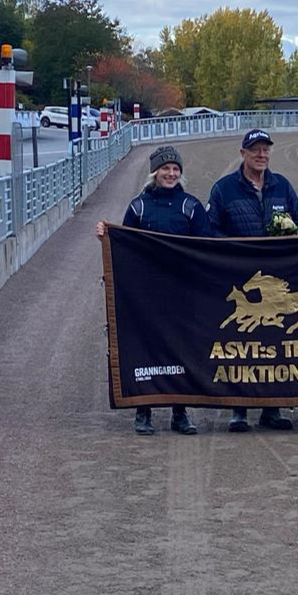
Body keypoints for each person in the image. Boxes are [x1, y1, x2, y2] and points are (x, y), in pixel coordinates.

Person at [96, 145, 210, 436]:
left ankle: (180, 412)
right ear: (154, 172)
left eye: (175, 169)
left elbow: (206, 247)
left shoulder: (191, 206)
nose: (170, 174)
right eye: (165, 169)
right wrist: (106, 238)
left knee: (182, 350)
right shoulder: (139, 206)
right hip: (147, 293)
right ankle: (143, 410)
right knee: (145, 349)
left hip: (181, 293)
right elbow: (125, 244)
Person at [207, 129, 298, 432]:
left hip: (276, 279)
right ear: (243, 154)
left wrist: (291, 232)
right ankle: (239, 408)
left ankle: (273, 407)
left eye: (265, 150)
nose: (261, 155)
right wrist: (239, 249)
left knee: (276, 343)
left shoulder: (282, 186)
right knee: (241, 344)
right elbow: (210, 230)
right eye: (255, 150)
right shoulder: (224, 189)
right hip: (241, 277)